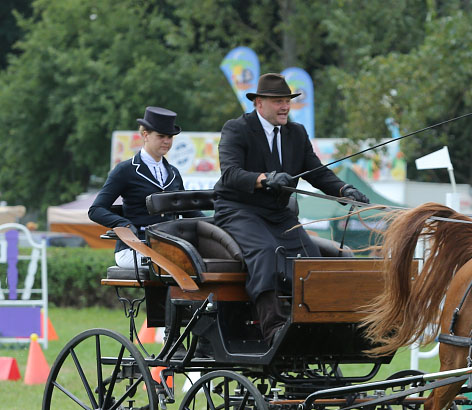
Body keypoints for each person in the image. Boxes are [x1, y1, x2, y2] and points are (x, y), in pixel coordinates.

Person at [213, 73, 370, 344]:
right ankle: (273, 329)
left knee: (309, 259)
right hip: (239, 210)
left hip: (279, 214)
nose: (285, 106)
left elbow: (317, 172)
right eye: (278, 101)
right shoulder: (237, 129)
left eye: (287, 100)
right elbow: (231, 173)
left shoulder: (295, 133)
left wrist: (344, 191)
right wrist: (265, 179)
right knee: (264, 252)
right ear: (259, 103)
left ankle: (316, 326)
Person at [89, 107, 200, 267]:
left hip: (169, 246)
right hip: (133, 247)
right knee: (175, 264)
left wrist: (215, 225)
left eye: (170, 136)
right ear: (145, 135)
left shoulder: (174, 173)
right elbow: (96, 210)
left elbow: (188, 210)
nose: (167, 141)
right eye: (161, 136)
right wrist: (124, 224)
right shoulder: (125, 170)